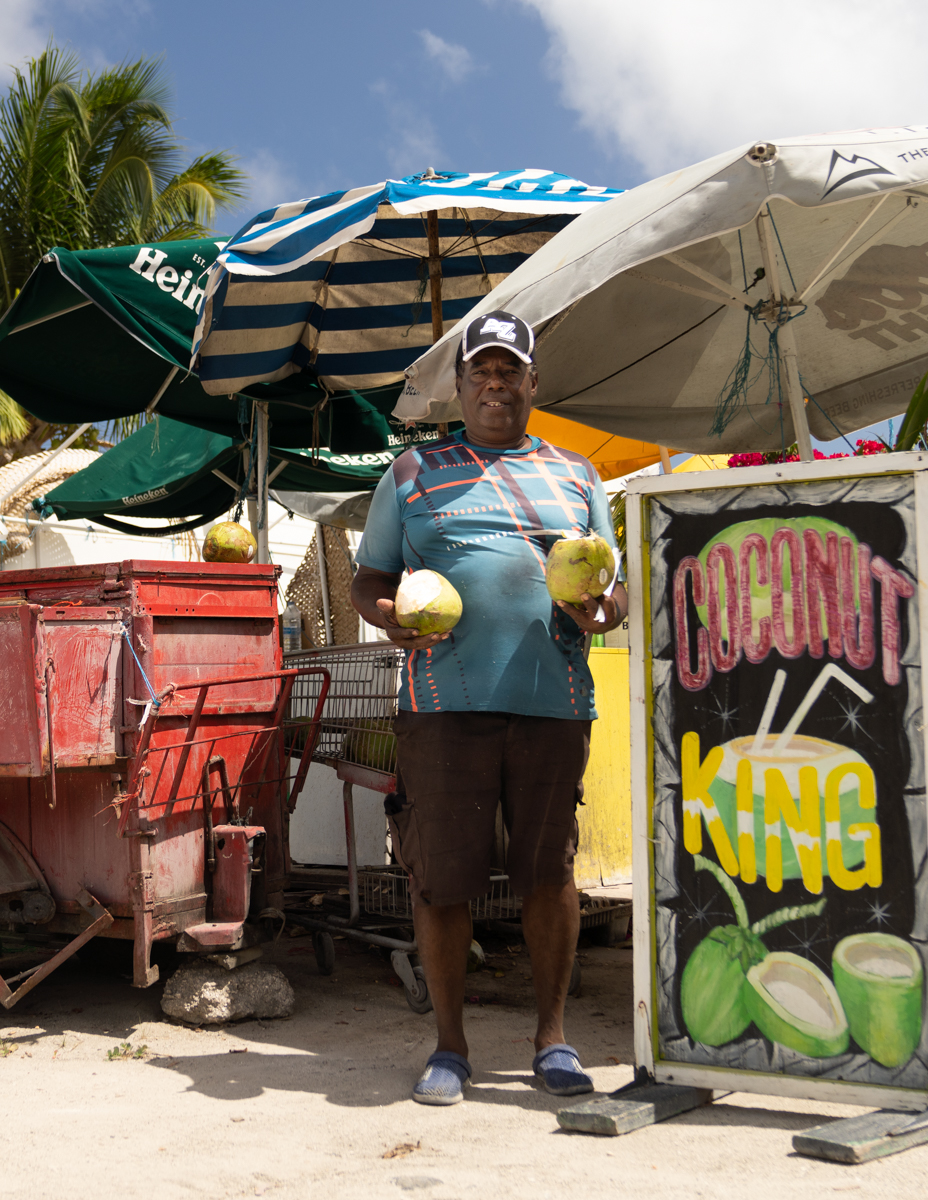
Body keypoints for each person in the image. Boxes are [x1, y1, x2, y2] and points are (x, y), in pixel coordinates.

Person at [349, 310, 624, 1107]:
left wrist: (607, 612)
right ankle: (450, 1048)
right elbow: (370, 578)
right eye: (482, 371)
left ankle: (553, 1039)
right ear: (460, 386)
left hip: (554, 702)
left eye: (511, 371)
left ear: (533, 383)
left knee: (551, 873)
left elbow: (616, 587)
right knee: (443, 880)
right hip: (443, 707)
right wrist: (386, 614)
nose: (496, 383)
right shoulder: (410, 473)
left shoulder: (579, 477)